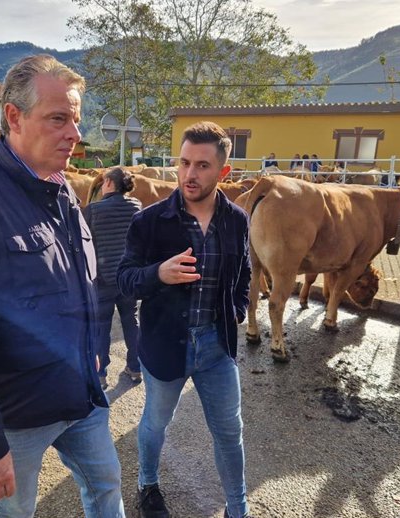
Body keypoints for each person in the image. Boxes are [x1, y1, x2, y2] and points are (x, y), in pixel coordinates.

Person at [0, 54, 124, 518]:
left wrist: (95, 351)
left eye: (74, 119)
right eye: (58, 119)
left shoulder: (63, 193)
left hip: (82, 394)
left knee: (107, 485)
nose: (74, 133)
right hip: (17, 416)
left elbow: (84, 284)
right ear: (13, 117)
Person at [117, 121, 253, 518]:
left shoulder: (237, 220)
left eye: (203, 166)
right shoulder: (150, 221)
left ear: (223, 172)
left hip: (216, 346)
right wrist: (157, 274)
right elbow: (125, 281)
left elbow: (244, 275)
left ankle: (238, 509)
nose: (190, 174)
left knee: (230, 432)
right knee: (155, 425)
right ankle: (147, 484)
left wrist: (237, 313)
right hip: (164, 344)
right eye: (184, 162)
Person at [83, 167, 142, 389]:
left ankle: (100, 373)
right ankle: (135, 368)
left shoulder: (93, 210)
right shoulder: (136, 206)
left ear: (108, 182)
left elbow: (85, 246)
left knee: (101, 326)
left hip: (103, 280)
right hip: (129, 278)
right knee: (131, 321)